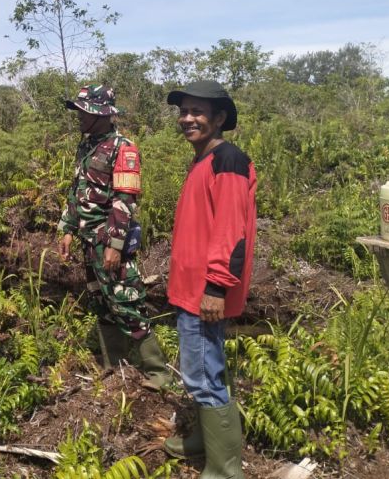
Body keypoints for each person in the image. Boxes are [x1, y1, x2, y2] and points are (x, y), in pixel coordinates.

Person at [163, 80, 256, 479]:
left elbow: (231, 230)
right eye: (184, 111)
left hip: (205, 290)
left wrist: (216, 286)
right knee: (202, 369)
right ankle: (205, 440)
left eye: (198, 112)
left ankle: (224, 468)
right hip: (190, 289)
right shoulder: (203, 160)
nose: (188, 119)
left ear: (219, 118)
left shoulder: (228, 159)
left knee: (203, 375)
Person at [58, 84, 170, 390]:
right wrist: (67, 228)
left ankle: (158, 372)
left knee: (126, 302)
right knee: (101, 303)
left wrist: (115, 245)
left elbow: (125, 200)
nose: (79, 117)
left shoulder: (124, 148)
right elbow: (76, 190)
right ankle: (113, 365)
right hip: (87, 240)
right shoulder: (86, 146)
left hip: (110, 242)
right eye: (79, 111)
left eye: (85, 112)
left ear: (103, 115)